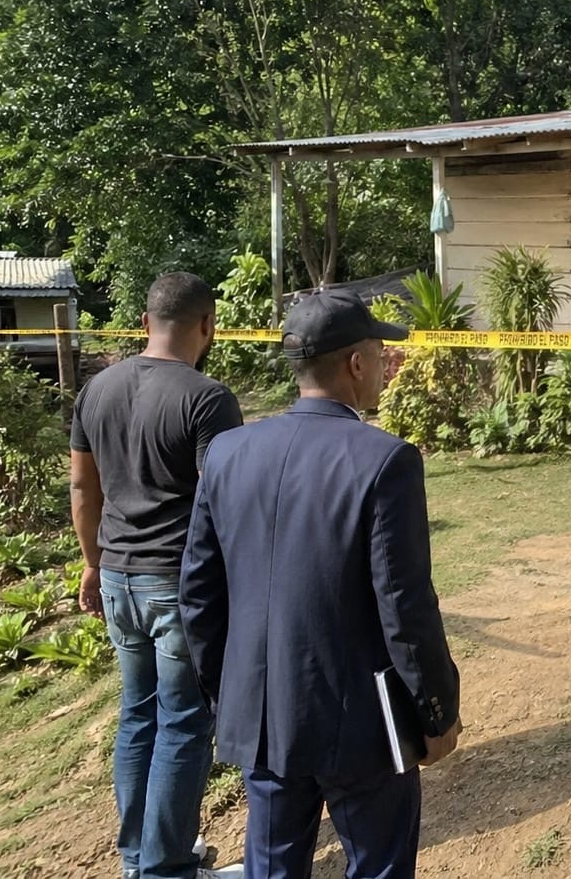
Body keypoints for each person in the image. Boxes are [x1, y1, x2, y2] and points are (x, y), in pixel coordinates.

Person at [180, 290, 461, 879]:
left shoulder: (228, 453)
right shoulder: (385, 460)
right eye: (380, 352)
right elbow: (404, 606)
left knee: (272, 867)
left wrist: (227, 697)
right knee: (378, 865)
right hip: (361, 723)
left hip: (263, 715)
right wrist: (436, 713)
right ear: (356, 363)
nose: (386, 364)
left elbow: (199, 595)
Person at [69, 272, 244, 879]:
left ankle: (139, 857)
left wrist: (92, 562)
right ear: (207, 326)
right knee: (185, 722)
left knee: (137, 715)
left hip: (117, 577)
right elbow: (224, 501)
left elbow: (82, 487)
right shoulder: (208, 398)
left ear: (144, 322)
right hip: (177, 584)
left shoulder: (96, 389)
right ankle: (166, 867)